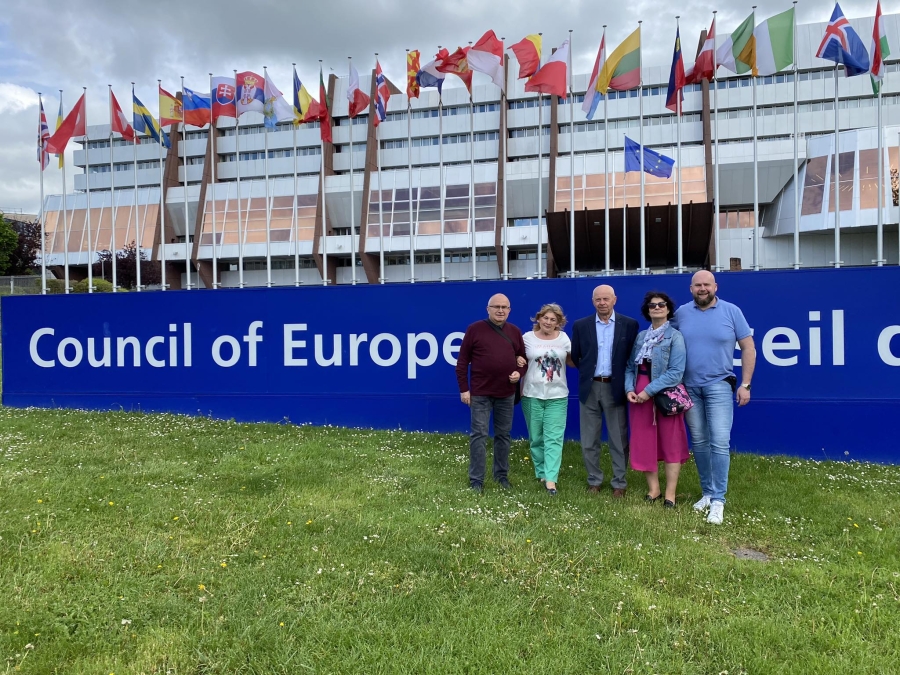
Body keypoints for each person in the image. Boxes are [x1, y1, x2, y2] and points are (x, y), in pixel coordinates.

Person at [672, 270, 756, 525]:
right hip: (689, 387)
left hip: (719, 385)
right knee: (699, 441)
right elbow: (666, 343)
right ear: (691, 288)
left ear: (715, 287)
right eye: (697, 285)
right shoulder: (681, 313)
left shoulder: (732, 311)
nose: (702, 288)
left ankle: (719, 500)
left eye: (707, 284)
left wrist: (746, 384)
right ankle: (707, 493)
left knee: (719, 441)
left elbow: (748, 348)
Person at [570, 285, 639, 497]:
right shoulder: (581, 325)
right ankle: (594, 480)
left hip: (615, 387)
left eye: (606, 299)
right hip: (590, 387)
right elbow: (577, 356)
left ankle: (619, 482)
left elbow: (632, 358)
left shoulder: (629, 325)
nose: (602, 303)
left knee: (619, 439)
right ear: (593, 301)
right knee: (589, 439)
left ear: (614, 300)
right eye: (598, 299)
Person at [456, 293, 527, 494]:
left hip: (506, 393)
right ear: (488, 309)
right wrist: (464, 389)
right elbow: (462, 362)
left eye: (504, 307)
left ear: (509, 310)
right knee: (479, 435)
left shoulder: (514, 331)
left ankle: (501, 476)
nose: (500, 310)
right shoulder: (474, 329)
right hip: (480, 393)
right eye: (496, 307)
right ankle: (476, 480)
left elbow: (523, 359)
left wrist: (518, 373)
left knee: (503, 435)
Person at [625, 291, 689, 508]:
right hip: (639, 397)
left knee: (671, 442)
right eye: (652, 305)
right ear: (648, 310)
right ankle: (654, 489)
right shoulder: (641, 337)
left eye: (661, 304)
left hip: (665, 395)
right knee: (644, 441)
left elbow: (676, 372)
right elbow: (630, 367)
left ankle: (670, 494)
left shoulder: (675, 337)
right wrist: (629, 389)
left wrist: (649, 391)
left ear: (668, 309)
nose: (657, 308)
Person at [521, 303, 571, 496]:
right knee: (536, 437)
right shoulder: (527, 338)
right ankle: (541, 471)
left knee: (554, 438)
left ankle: (551, 480)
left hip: (557, 395)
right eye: (545, 318)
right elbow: (518, 359)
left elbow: (572, 360)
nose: (548, 322)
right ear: (539, 319)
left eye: (553, 320)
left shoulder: (564, 339)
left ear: (558, 322)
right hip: (531, 394)